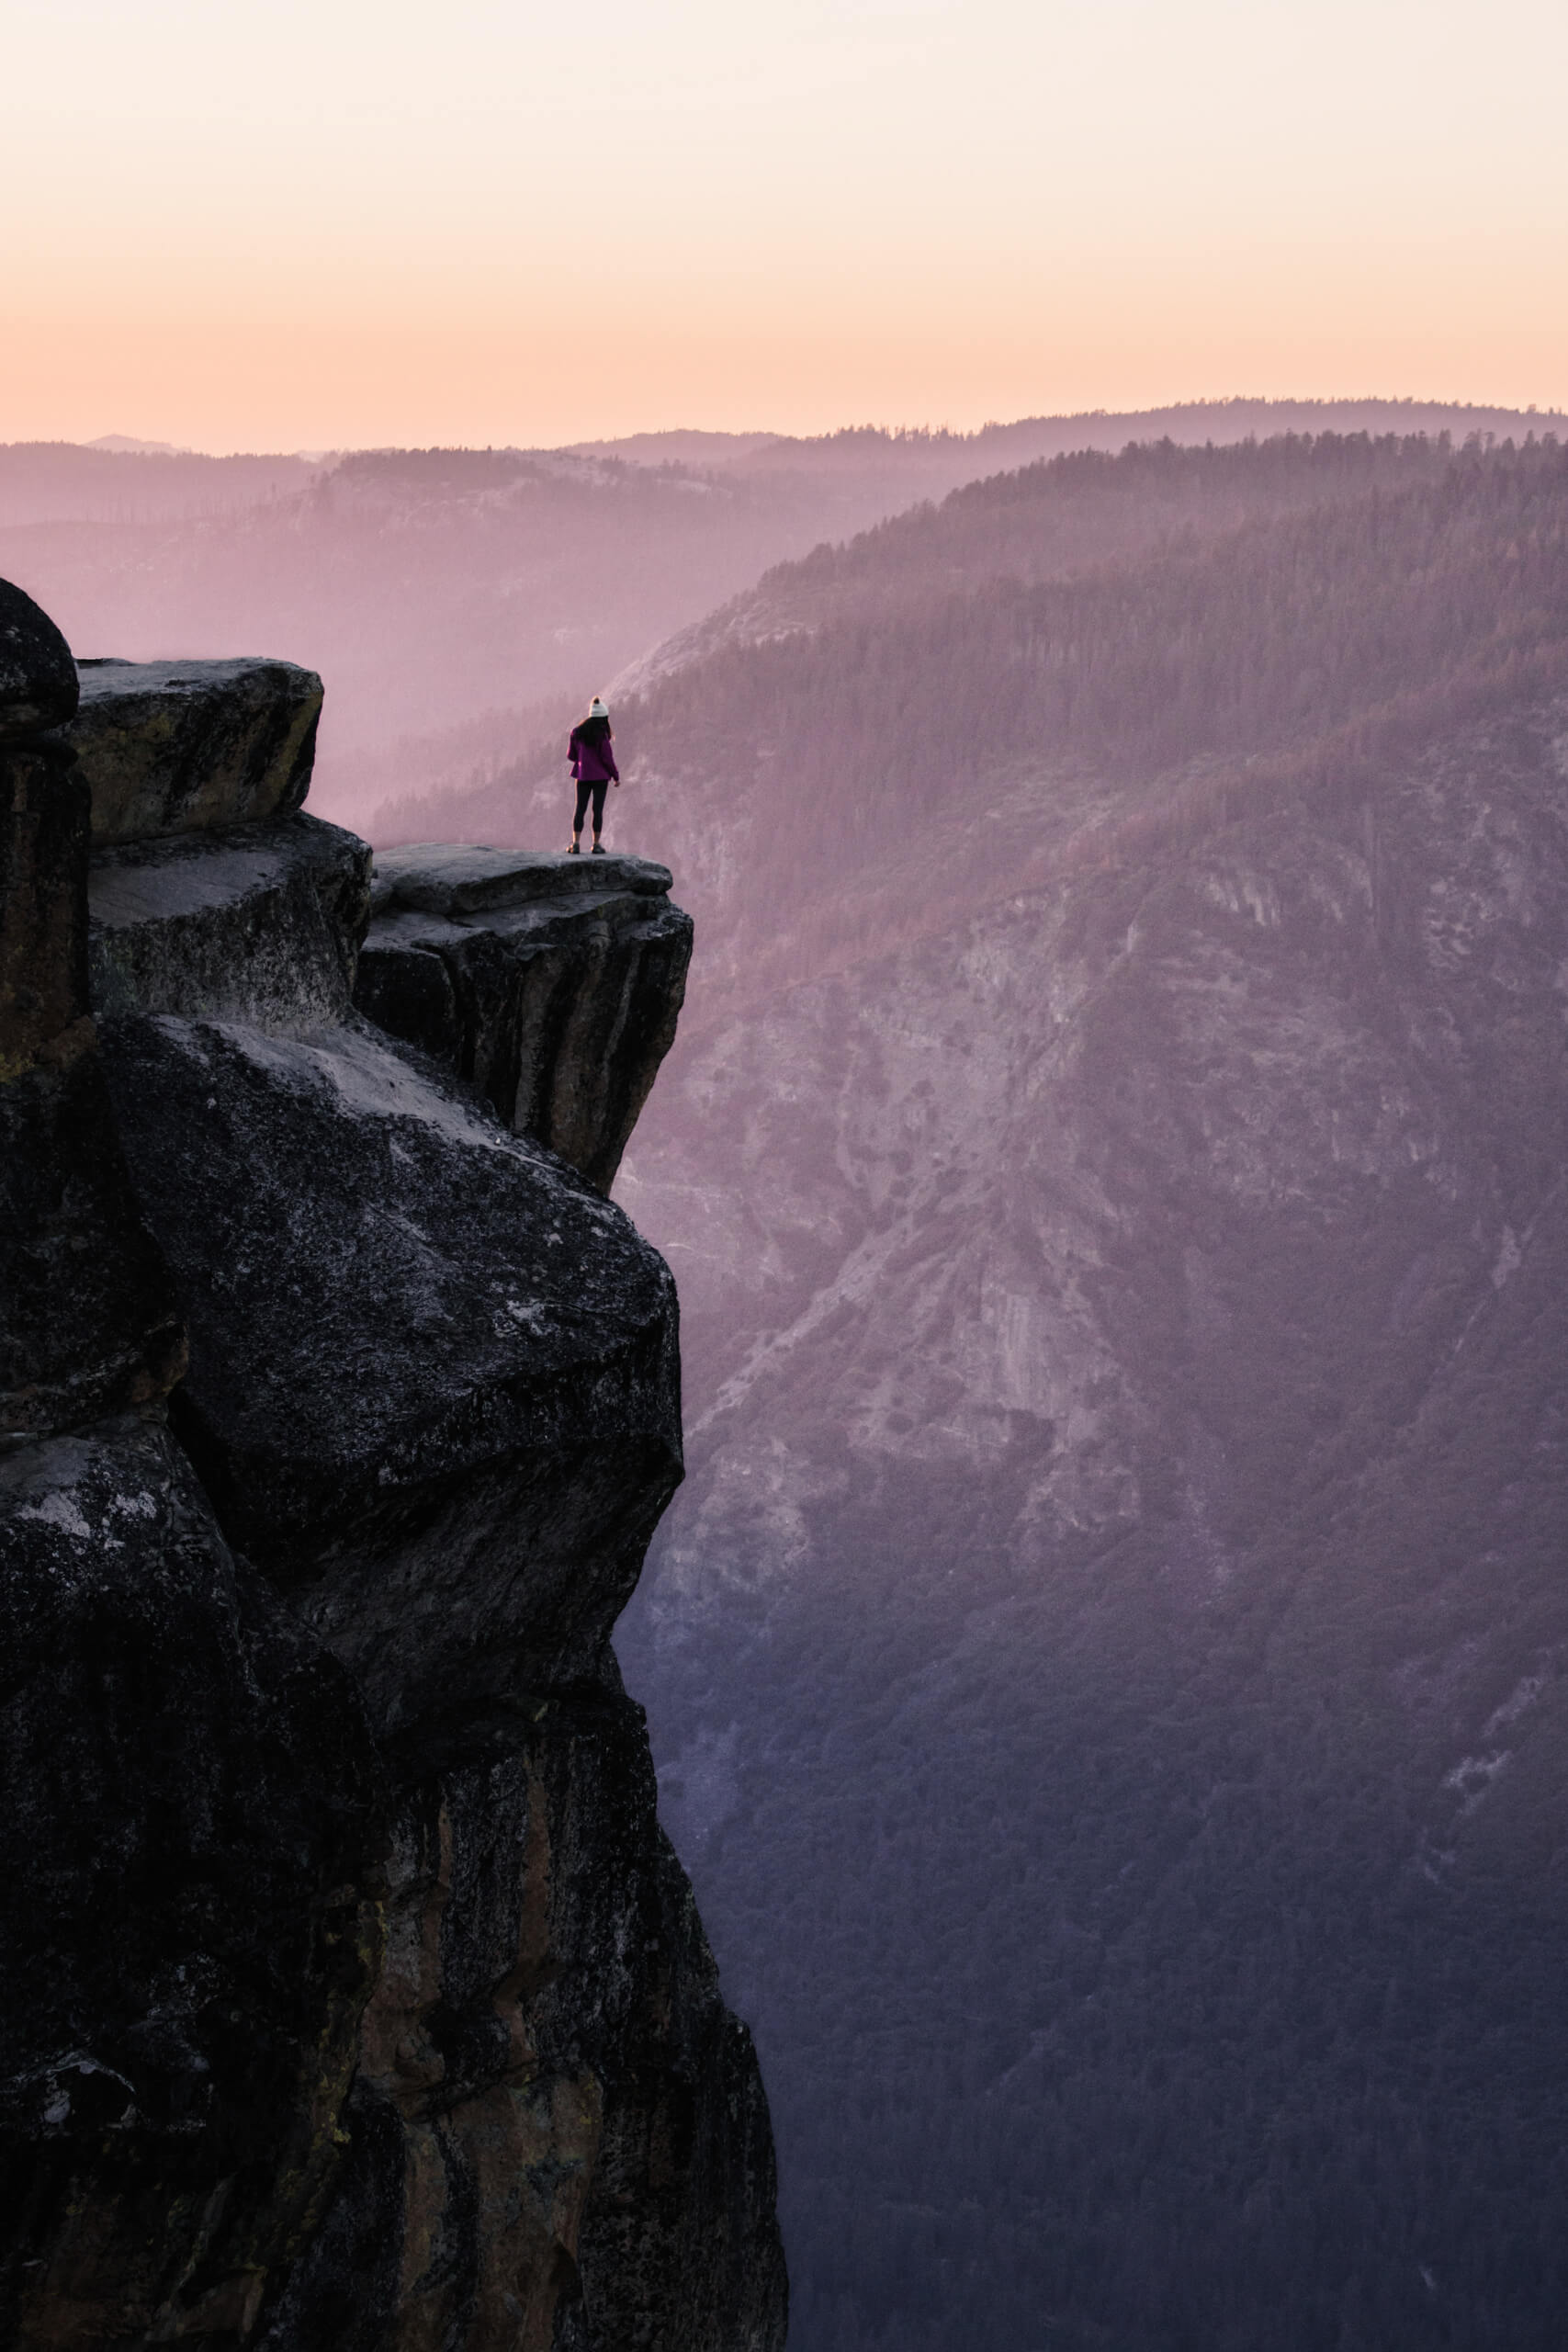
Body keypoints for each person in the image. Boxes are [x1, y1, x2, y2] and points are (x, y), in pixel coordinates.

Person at [566, 696, 619, 854]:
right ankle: (596, 845)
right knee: (597, 810)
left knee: (580, 808)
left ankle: (575, 844)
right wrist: (616, 776)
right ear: (604, 718)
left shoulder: (577, 733)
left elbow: (571, 755)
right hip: (601, 778)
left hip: (582, 776)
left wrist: (582, 759)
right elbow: (607, 759)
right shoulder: (602, 736)